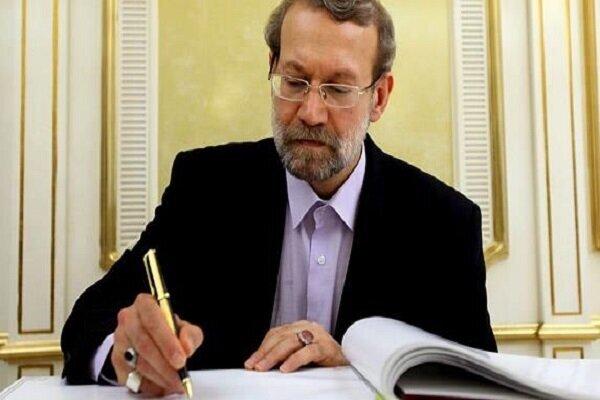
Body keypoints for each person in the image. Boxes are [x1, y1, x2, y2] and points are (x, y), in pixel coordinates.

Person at [61, 0, 497, 396]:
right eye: (295, 81)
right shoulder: (206, 187)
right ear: (272, 68)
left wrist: (357, 368)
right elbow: (87, 324)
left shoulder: (443, 222)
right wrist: (127, 352)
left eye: (338, 88)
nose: (310, 112)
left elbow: (478, 384)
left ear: (379, 97)